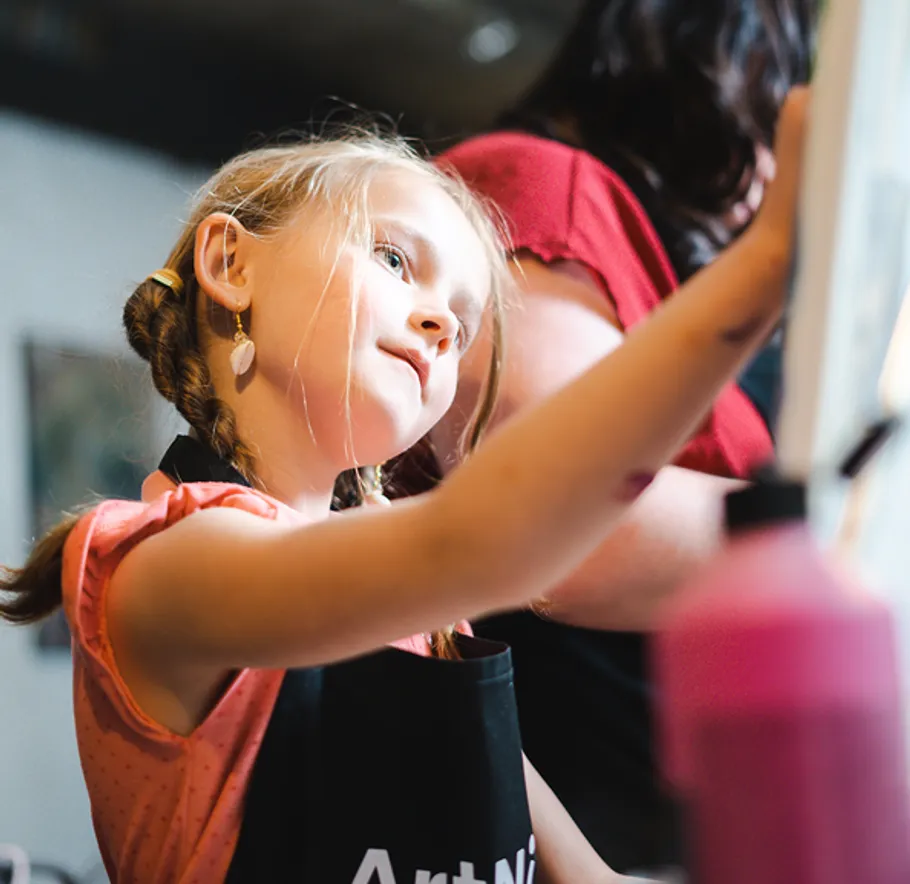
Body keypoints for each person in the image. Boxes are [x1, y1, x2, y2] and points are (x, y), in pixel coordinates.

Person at [0, 94, 805, 884]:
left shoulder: (432, 625)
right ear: (230, 264)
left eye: (462, 320)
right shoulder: (162, 565)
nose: (442, 327)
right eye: (394, 258)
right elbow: (480, 539)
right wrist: (764, 268)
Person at [430, 0, 817, 873]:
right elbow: (572, 538)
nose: (771, 170)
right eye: (774, 108)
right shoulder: (547, 186)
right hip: (573, 838)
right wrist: (842, 538)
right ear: (722, 76)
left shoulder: (629, 247)